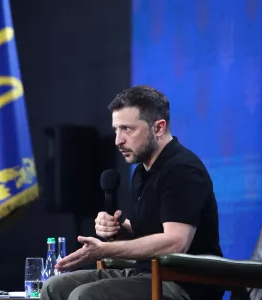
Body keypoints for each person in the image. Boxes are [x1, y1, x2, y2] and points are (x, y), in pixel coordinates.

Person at [40, 85, 225, 300]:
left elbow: (176, 242)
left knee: (86, 296)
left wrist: (106, 250)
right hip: (146, 273)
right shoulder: (141, 171)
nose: (118, 140)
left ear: (158, 128)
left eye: (127, 129)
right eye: (116, 130)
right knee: (55, 287)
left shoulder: (183, 169)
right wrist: (117, 229)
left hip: (184, 284)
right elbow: (140, 230)